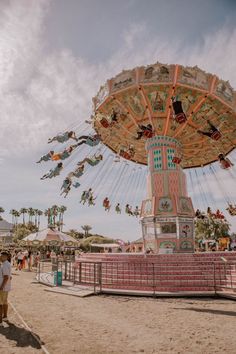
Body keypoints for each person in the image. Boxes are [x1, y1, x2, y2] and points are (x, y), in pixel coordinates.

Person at [0, 251, 12, 326]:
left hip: (3, 287)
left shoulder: (5, 264)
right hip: (5, 287)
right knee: (4, 302)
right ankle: (4, 317)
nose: (0, 257)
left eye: (1, 256)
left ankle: (0, 321)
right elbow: (9, 276)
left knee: (0, 304)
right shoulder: (6, 264)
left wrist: (1, 287)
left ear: (5, 256)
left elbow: (6, 277)